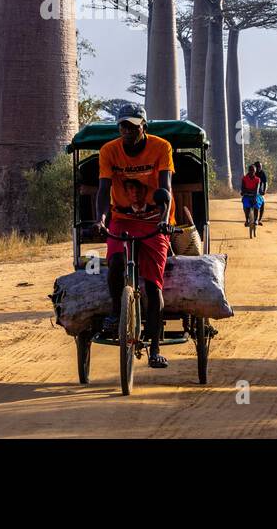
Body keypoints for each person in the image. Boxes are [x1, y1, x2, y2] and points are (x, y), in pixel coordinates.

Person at [95, 103, 174, 368]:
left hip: (154, 221)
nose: (126, 130)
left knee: (153, 286)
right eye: (122, 126)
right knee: (115, 262)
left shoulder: (161, 147)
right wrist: (102, 219)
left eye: (132, 125)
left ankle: (154, 348)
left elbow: (166, 188)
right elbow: (103, 189)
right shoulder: (109, 151)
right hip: (122, 219)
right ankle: (117, 312)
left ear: (144, 126)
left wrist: (164, 220)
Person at [240, 164, 263, 228]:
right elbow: (242, 187)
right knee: (245, 205)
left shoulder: (257, 179)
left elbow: (257, 189)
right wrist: (243, 192)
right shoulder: (244, 178)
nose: (252, 172)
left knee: (256, 205)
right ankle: (247, 220)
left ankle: (256, 220)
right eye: (250, 170)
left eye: (253, 170)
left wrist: (255, 197)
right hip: (247, 195)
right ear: (248, 171)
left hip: (255, 194)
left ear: (255, 171)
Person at [253, 161, 269, 225]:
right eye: (259, 167)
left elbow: (265, 183)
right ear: (255, 167)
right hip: (250, 190)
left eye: (260, 167)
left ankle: (259, 219)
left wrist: (264, 191)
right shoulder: (252, 172)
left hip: (259, 191)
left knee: (262, 203)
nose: (260, 168)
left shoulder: (262, 173)